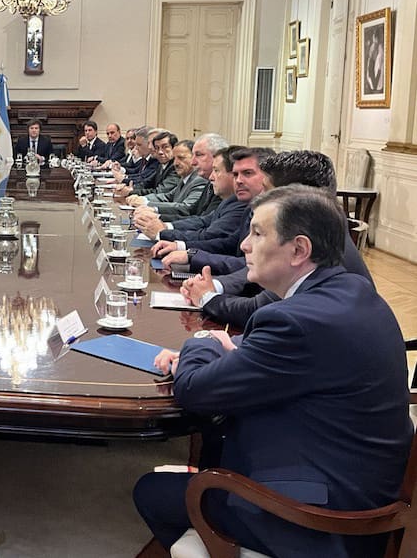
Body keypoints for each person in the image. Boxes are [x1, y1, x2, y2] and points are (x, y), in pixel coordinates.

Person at [135, 185, 411, 557]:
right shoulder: (352, 290)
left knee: (150, 491)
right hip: (359, 481)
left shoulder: (295, 321)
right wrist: (236, 351)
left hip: (319, 520)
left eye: (258, 233)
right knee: (214, 441)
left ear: (299, 250)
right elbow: (300, 362)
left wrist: (204, 339)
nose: (245, 245)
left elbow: (193, 391)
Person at [182, 151, 373, 327]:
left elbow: (256, 311)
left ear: (295, 197)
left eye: (267, 191)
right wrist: (214, 286)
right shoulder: (323, 231)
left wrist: (207, 297)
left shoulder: (315, 248)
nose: (260, 196)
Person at [126, 140, 207, 215]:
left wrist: (147, 204)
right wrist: (143, 199)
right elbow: (167, 196)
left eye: (181, 158)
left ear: (194, 159)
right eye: (174, 158)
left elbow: (186, 207)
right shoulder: (185, 178)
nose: (175, 163)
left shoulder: (199, 180)